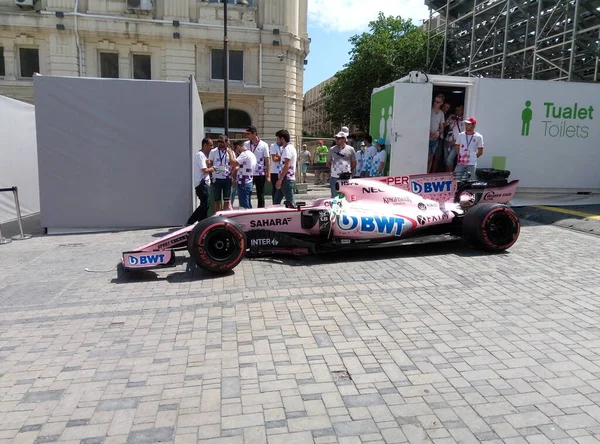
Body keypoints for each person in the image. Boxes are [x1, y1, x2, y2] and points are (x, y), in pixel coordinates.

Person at [186, 137, 215, 225]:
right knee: (205, 204)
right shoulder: (200, 155)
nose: (212, 147)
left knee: (206, 204)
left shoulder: (204, 156)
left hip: (205, 184)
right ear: (205, 145)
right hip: (202, 184)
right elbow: (204, 170)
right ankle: (190, 222)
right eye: (210, 145)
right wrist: (212, 168)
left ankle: (202, 223)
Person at [243, 125, 270, 208]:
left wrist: (268, 175)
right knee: (247, 193)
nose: (247, 136)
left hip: (259, 173)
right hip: (248, 173)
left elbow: (267, 160)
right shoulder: (246, 144)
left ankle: (260, 211)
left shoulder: (264, 145)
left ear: (254, 133)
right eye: (246, 134)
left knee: (260, 194)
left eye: (248, 134)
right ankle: (248, 210)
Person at [208, 134, 236, 212]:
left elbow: (234, 165)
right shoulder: (213, 151)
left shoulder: (231, 152)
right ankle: (217, 217)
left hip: (227, 179)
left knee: (226, 200)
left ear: (227, 142)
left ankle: (225, 217)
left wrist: (234, 178)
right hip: (216, 178)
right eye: (219, 141)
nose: (220, 143)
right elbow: (210, 163)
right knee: (217, 200)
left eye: (222, 142)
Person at [326, 128, 357, 198]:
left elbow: (354, 163)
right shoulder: (332, 149)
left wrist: (347, 171)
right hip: (334, 177)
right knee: (334, 196)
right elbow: (328, 162)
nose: (336, 140)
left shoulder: (351, 149)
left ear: (343, 139)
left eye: (338, 138)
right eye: (336, 138)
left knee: (346, 196)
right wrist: (334, 170)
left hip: (346, 178)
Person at [454, 116, 484, 181]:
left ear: (473, 125)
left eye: (468, 124)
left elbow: (480, 151)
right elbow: (457, 146)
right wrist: (461, 155)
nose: (466, 126)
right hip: (461, 162)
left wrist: (473, 157)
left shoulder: (479, 137)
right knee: (456, 180)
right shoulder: (461, 135)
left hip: (471, 163)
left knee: (470, 181)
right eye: (466, 124)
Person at [231, 139, 257, 209]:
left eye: (235, 149)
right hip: (249, 181)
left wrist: (230, 153)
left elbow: (233, 163)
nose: (236, 151)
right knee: (247, 204)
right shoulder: (251, 154)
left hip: (243, 183)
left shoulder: (244, 154)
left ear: (238, 147)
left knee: (244, 206)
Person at [274, 129, 297, 206]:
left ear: (282, 139)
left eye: (278, 139)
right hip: (284, 179)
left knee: (290, 202)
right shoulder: (286, 148)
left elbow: (287, 165)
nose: (277, 141)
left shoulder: (288, 148)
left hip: (287, 179)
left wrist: (280, 180)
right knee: (276, 201)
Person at [444, 104, 465, 172]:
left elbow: (464, 134)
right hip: (447, 141)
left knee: (449, 160)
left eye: (460, 110)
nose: (458, 111)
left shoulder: (464, 120)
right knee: (446, 160)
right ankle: (446, 176)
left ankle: (451, 177)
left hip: (456, 143)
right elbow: (443, 126)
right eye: (456, 110)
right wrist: (449, 120)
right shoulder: (452, 117)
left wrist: (455, 141)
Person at [429, 94, 446, 173]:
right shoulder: (429, 110)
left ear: (441, 103)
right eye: (434, 101)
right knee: (427, 157)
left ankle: (427, 174)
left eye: (437, 102)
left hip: (435, 139)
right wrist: (428, 133)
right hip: (426, 138)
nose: (435, 103)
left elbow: (442, 127)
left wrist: (438, 133)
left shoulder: (441, 113)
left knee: (432, 157)